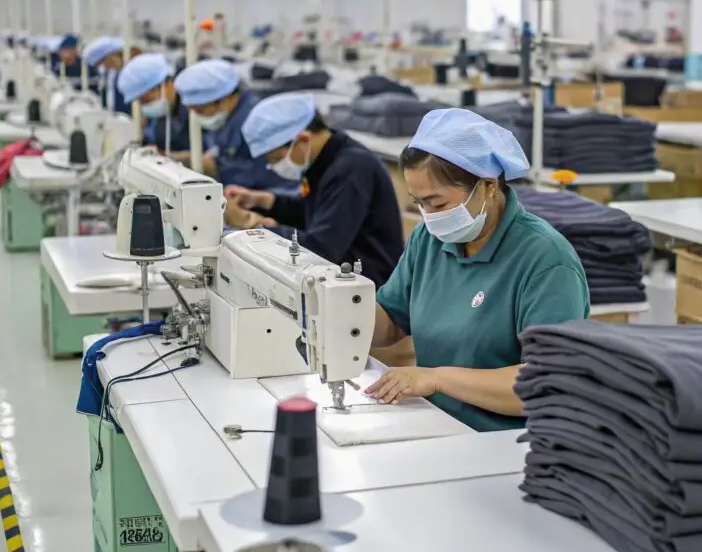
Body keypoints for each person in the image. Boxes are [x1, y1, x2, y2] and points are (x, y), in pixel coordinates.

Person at [364, 108, 590, 432]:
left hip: (508, 442)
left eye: (437, 204)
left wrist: (437, 379)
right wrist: (337, 311)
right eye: (418, 204)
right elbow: (392, 321)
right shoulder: (429, 240)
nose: (429, 216)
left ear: (488, 186)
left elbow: (546, 383)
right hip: (437, 424)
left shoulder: (546, 260)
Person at [224, 93, 404, 288]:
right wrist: (264, 201)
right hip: (338, 279)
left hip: (367, 287)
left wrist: (253, 226)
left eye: (275, 159)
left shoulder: (351, 170)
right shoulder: (326, 157)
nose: (273, 166)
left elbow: (320, 248)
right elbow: (316, 211)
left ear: (302, 139)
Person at [173, 58, 285, 190]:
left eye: (200, 110)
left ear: (225, 98)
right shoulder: (227, 116)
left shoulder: (258, 123)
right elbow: (220, 147)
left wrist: (217, 169)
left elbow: (268, 176)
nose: (197, 116)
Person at [116, 52, 198, 160]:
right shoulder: (163, 111)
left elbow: (213, 159)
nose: (144, 106)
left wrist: (170, 157)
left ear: (166, 85)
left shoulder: (195, 109)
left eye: (145, 99)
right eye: (140, 101)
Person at [83, 36, 130, 115]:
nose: (104, 66)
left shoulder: (130, 72)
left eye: (102, 62)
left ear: (111, 55)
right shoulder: (111, 73)